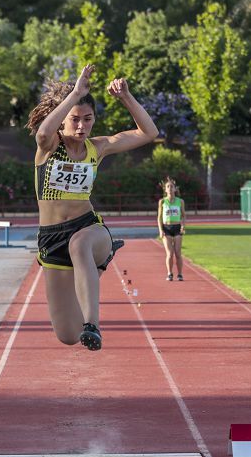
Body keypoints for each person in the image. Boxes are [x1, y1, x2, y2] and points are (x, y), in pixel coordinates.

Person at [27, 64, 158, 350]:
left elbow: (148, 133)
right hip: (51, 237)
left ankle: (93, 324)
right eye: (75, 119)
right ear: (63, 119)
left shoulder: (98, 148)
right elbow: (41, 134)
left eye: (88, 120)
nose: (81, 126)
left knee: (79, 244)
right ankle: (96, 270)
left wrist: (126, 98)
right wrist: (75, 93)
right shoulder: (49, 147)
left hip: (87, 227)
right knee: (67, 336)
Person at [157, 177, 186, 281]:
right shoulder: (162, 202)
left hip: (177, 227)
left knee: (178, 253)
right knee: (169, 253)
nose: (169, 188)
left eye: (171, 186)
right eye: (167, 187)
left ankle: (180, 274)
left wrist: (183, 226)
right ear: (165, 190)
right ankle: (169, 273)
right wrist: (161, 230)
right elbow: (159, 217)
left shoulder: (180, 201)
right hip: (167, 228)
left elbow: (183, 215)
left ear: (175, 189)